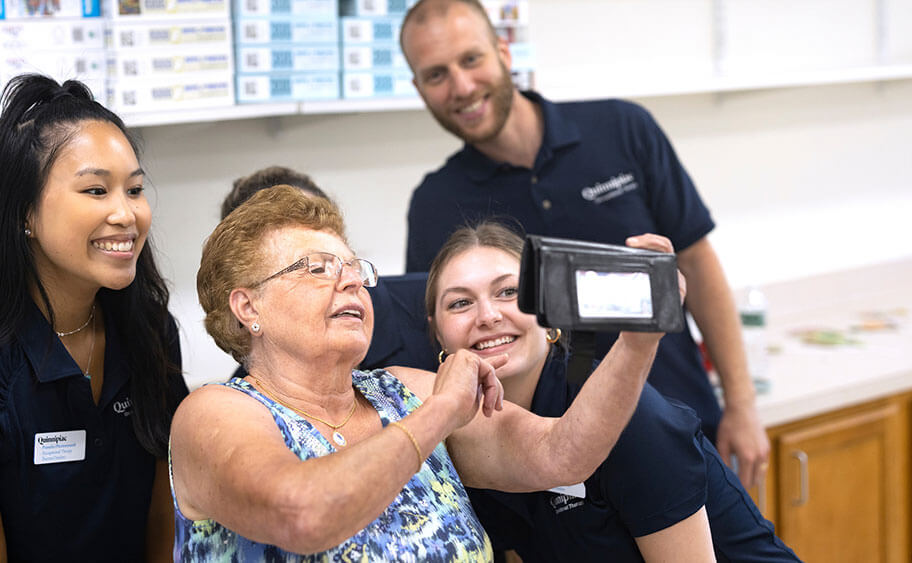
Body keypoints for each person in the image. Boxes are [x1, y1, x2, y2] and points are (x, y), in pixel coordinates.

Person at [170, 184, 667, 560]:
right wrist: (442, 414)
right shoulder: (215, 414)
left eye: (354, 269)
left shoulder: (404, 390)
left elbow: (562, 456)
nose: (350, 282)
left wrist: (639, 339)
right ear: (247, 307)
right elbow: (303, 515)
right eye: (318, 268)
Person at [399, 0, 771, 488]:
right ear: (418, 89)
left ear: (504, 52)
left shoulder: (622, 130)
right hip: (554, 480)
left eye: (471, 60)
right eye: (436, 75)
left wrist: (741, 405)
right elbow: (445, 347)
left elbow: (697, 267)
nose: (462, 87)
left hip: (686, 431)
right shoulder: (436, 203)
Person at [0, 74, 188, 562]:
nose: (127, 214)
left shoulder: (149, 331)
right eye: (97, 191)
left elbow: (162, 515)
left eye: (135, 189)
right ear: (25, 213)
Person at [428, 222, 800, 562]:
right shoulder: (465, 434)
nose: (488, 316)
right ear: (437, 332)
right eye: (460, 302)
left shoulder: (626, 419)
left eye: (509, 292)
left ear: (550, 311)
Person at [223, 165, 438, 373]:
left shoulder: (433, 302)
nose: (314, 231)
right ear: (248, 304)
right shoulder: (248, 388)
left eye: (318, 217)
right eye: (314, 265)